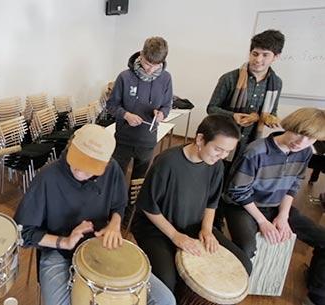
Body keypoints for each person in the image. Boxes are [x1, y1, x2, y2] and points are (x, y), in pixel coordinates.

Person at [14, 124, 175, 305]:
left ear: (105, 164)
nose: (81, 172)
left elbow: (119, 204)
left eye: (90, 167)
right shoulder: (47, 177)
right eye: (78, 162)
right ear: (70, 145)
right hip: (58, 252)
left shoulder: (112, 169)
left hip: (101, 244)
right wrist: (65, 242)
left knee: (165, 300)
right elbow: (23, 232)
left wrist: (114, 224)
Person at [131, 114, 252, 295]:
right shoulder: (167, 162)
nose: (222, 156)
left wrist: (207, 230)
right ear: (200, 139)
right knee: (167, 280)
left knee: (244, 265)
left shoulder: (216, 165)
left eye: (228, 151)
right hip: (156, 229)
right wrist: (175, 236)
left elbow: (212, 202)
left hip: (194, 226)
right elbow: (148, 206)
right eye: (218, 149)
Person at [224, 108, 325, 305]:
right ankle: (231, 287)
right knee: (246, 247)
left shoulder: (304, 152)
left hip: (275, 206)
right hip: (242, 205)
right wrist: (263, 222)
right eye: (299, 133)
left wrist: (283, 215)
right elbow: (237, 191)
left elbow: (294, 184)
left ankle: (316, 296)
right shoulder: (256, 151)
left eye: (310, 139)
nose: (301, 142)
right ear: (290, 126)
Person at [207, 29, 285, 229]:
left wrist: (267, 118)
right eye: (255, 53)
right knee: (218, 180)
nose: (258, 59)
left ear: (276, 57)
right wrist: (233, 116)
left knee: (238, 182)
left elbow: (271, 111)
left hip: (252, 143)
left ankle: (224, 215)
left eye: (265, 55)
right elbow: (211, 108)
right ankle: (211, 220)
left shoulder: (276, 83)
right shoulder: (230, 78)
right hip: (226, 140)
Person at [107, 36, 173, 179]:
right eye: (148, 64)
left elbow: (167, 105)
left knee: (139, 179)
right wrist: (126, 115)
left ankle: (132, 202)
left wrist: (162, 114)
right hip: (123, 139)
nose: (151, 70)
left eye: (156, 65)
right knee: (116, 177)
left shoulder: (166, 78)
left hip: (147, 141)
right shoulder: (125, 77)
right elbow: (111, 105)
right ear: (141, 55)